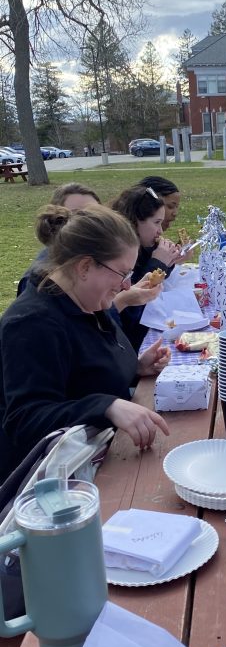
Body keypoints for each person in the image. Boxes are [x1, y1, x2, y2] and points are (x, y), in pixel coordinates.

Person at [0, 205, 170, 485]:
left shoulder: (85, 300)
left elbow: (87, 371)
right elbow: (25, 420)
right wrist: (106, 406)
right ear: (84, 266)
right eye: (122, 273)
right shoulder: (32, 323)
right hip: (53, 484)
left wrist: (136, 368)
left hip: (103, 453)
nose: (127, 285)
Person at [110, 185, 181, 350]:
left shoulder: (145, 248)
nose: (160, 231)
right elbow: (130, 313)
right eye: (156, 222)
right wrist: (159, 263)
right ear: (135, 221)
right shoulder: (119, 256)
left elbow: (155, 272)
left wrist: (169, 260)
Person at [17, 183, 102, 296]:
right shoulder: (40, 279)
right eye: (77, 214)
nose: (89, 221)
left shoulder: (104, 256)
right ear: (56, 218)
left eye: (95, 212)